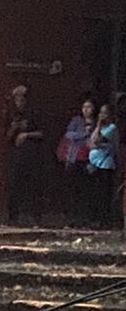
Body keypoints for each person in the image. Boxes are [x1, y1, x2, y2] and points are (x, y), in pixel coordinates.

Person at [5, 83, 44, 225]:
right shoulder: (11, 114)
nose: (19, 102)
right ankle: (13, 217)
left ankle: (34, 217)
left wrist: (26, 134)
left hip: (32, 154)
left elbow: (42, 133)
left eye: (22, 98)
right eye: (17, 99)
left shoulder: (34, 113)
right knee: (14, 184)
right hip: (16, 155)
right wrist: (14, 127)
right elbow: (6, 137)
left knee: (33, 185)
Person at [58, 96, 97, 226]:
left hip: (90, 158)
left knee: (87, 189)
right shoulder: (77, 121)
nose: (86, 110)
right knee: (74, 189)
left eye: (89, 107)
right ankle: (73, 218)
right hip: (75, 158)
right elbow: (68, 134)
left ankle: (87, 218)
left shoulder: (97, 123)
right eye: (84, 107)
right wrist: (83, 134)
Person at [88, 102, 121, 229]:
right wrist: (97, 126)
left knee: (104, 193)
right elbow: (91, 143)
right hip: (94, 163)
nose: (102, 116)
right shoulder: (98, 128)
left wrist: (99, 127)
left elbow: (97, 141)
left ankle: (105, 221)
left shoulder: (112, 128)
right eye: (101, 113)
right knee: (95, 193)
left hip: (105, 164)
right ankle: (95, 219)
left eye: (105, 113)